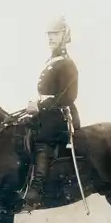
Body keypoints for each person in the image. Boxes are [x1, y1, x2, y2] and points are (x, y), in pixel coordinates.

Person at [24, 16, 81, 206]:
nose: (50, 37)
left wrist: (39, 106)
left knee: (43, 138)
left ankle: (37, 188)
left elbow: (67, 96)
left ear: (64, 36)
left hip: (61, 115)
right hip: (47, 112)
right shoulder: (52, 61)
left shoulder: (67, 64)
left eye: (55, 34)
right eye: (49, 34)